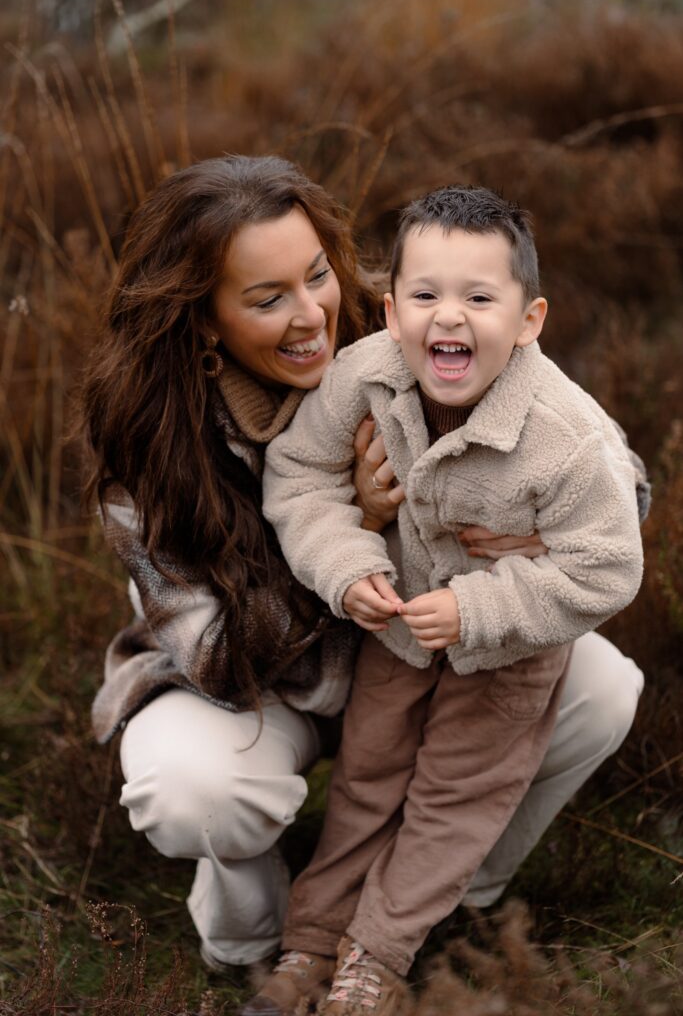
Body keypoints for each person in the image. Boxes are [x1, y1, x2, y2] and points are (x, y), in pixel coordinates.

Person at [79, 157, 646, 1016]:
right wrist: (362, 536)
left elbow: (601, 479)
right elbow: (226, 645)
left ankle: (422, 919)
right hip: (270, 678)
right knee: (206, 790)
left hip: (449, 638)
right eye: (266, 299)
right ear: (203, 321)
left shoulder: (428, 308)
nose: (311, 314)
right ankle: (263, 936)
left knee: (597, 690)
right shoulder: (152, 449)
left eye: (316, 277)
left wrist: (523, 546)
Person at [261, 185, 646, 1014]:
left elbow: (606, 566)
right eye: (426, 295)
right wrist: (345, 562)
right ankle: (310, 943)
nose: (450, 318)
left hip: (507, 660)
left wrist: (480, 608)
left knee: (448, 804)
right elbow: (299, 474)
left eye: (479, 297)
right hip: (397, 638)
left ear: (529, 317)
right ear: (393, 309)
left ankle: (375, 958)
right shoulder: (365, 374)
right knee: (366, 783)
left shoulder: (561, 436)